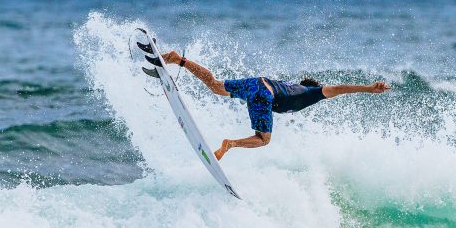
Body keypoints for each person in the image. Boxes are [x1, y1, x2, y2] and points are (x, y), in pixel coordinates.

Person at [161, 51, 391, 160]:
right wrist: (369, 88)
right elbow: (339, 88)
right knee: (264, 139)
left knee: (215, 86)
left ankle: (177, 59)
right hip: (265, 95)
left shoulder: (291, 86)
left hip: (257, 83)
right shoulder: (312, 92)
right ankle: (229, 144)